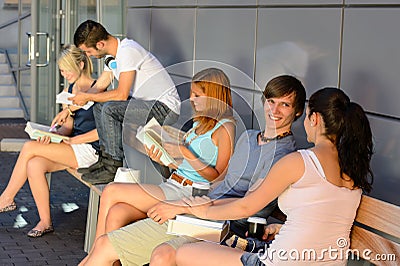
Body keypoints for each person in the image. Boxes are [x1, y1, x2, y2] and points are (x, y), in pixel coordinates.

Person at [79, 75, 307, 266]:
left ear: (298, 113)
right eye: (271, 101)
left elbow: (246, 205)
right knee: (105, 243)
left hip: (225, 226)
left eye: (284, 105)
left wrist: (185, 205)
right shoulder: (248, 138)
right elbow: (221, 183)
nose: (275, 110)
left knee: (161, 255)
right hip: (200, 211)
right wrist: (187, 196)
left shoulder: (285, 156)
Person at [175, 87, 374, 266]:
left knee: (184, 253)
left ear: (315, 119)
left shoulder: (299, 161)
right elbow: (323, 214)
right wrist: (282, 228)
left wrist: (203, 212)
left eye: (306, 116)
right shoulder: (353, 172)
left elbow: (246, 206)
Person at [79, 67, 236, 265]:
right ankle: (105, 258)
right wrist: (163, 157)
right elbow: (186, 163)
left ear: (214, 96)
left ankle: (93, 254)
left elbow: (218, 176)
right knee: (117, 211)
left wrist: (185, 151)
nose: (192, 100)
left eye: (198, 95)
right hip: (173, 184)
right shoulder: (199, 123)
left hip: (188, 194)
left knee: (111, 191)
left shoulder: (226, 127)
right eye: (192, 94)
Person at [55, 20, 181, 184]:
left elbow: (121, 94)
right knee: (100, 107)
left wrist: (88, 97)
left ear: (100, 44)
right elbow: (99, 87)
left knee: (109, 109)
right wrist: (69, 110)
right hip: (147, 106)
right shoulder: (112, 56)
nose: (88, 56)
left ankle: (112, 166)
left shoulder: (128, 51)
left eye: (88, 51)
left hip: (165, 108)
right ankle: (105, 159)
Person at [0, 44, 100, 237]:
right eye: (61, 70)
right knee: (35, 164)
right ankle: (45, 222)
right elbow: (68, 128)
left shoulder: (98, 89)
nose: (64, 74)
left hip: (90, 149)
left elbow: (103, 130)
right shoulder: (69, 89)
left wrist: (65, 140)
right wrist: (52, 136)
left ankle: (6, 198)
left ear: (80, 65)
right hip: (73, 146)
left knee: (29, 147)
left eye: (67, 69)